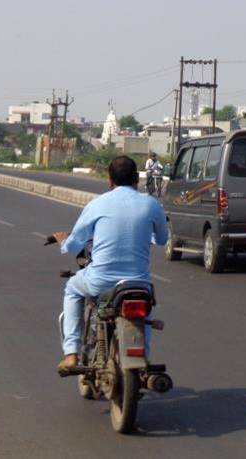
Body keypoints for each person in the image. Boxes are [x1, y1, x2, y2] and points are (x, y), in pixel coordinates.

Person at [54, 156, 168, 372]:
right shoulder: (152, 205)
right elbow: (162, 239)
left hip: (100, 282)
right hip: (138, 284)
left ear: (109, 181)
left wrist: (63, 241)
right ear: (137, 179)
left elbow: (74, 243)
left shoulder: (97, 204)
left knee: (71, 289)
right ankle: (144, 357)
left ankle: (71, 354)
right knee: (145, 314)